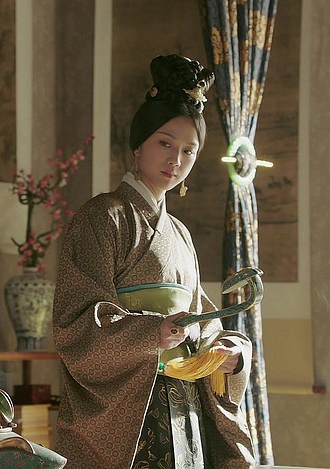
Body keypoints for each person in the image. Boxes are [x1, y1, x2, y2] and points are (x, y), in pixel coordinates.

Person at [53, 55, 255, 468]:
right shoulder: (102, 216)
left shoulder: (179, 233)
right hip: (128, 403)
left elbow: (200, 316)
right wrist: (152, 332)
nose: (175, 160)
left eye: (188, 151)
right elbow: (76, 321)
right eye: (165, 143)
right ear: (139, 144)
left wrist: (226, 351)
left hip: (184, 406)